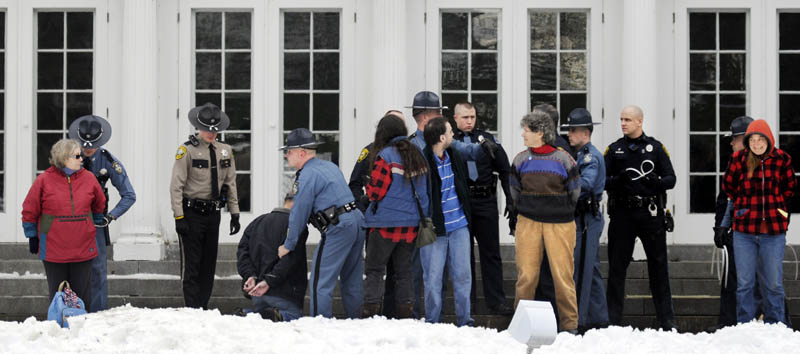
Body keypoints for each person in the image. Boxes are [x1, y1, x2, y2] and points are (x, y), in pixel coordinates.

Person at [278, 128, 365, 319]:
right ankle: (357, 322)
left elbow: (299, 212)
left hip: (338, 226)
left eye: (289, 151)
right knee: (352, 280)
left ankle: (320, 326)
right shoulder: (330, 166)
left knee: (320, 281)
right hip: (357, 222)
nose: (286, 155)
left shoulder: (307, 175)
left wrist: (288, 244)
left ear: (302, 152)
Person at [604, 105, 677, 330]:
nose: (623, 123)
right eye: (621, 119)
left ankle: (666, 320)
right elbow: (602, 181)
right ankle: (613, 320)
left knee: (658, 266)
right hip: (623, 214)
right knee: (617, 267)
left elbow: (671, 179)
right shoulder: (614, 149)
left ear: (639, 122)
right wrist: (618, 180)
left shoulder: (655, 148)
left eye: (628, 119)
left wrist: (657, 182)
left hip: (649, 213)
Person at [509, 111, 580, 334]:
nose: (523, 134)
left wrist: (557, 208)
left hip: (560, 224)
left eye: (527, 130)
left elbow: (575, 192)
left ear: (540, 132)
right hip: (528, 222)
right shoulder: (520, 159)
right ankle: (520, 325)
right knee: (526, 276)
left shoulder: (564, 159)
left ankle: (570, 326)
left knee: (563, 276)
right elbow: (514, 191)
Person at [722, 119, 796, 325]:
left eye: (760, 139)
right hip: (744, 230)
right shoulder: (738, 159)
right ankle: (745, 325)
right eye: (752, 140)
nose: (756, 144)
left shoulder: (782, 159)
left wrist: (777, 206)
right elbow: (729, 187)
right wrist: (744, 206)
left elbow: (790, 187)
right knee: (745, 283)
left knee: (773, 283)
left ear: (768, 139)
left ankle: (776, 326)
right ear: (747, 141)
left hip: (773, 231)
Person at [170, 102, 241, 309]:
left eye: (215, 129)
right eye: (207, 130)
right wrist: (179, 216)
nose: (211, 133)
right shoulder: (187, 150)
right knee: (192, 264)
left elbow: (230, 183)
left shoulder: (225, 151)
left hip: (213, 213)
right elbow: (176, 186)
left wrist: (235, 213)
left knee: (209, 264)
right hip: (192, 212)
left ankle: (203, 306)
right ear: (198, 128)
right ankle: (192, 308)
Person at [22, 139, 107, 312]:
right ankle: (59, 326)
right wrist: (32, 235)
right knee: (57, 292)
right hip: (53, 247)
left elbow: (100, 203)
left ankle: (81, 325)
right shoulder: (44, 180)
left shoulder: (89, 178)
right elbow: (30, 209)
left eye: (80, 155)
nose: (81, 158)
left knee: (82, 294)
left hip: (83, 246)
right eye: (76, 155)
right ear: (63, 157)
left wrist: (97, 219)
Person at [361, 114, 430, 319]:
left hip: (384, 225)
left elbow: (376, 192)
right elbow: (424, 192)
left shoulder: (386, 156)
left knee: (374, 270)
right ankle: (406, 313)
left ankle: (370, 312)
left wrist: (367, 187)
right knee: (404, 272)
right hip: (410, 226)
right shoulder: (416, 154)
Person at [68, 115, 137, 313]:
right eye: (84, 145)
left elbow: (129, 195)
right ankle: (73, 310)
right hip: (71, 221)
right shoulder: (69, 158)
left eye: (93, 144)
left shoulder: (109, 162)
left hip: (96, 221)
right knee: (71, 267)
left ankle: (97, 313)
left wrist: (112, 216)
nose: (88, 149)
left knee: (97, 269)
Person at [451, 101, 514, 315]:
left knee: (491, 253)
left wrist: (511, 201)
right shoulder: (450, 141)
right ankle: (467, 304)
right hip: (462, 203)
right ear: (456, 118)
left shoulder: (487, 140)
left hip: (485, 201)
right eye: (465, 117)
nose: (469, 121)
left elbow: (505, 170)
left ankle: (496, 302)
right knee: (463, 256)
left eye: (472, 117)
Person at [348, 110, 405, 317]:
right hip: (374, 220)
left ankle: (390, 312)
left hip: (396, 221)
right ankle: (375, 312)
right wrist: (362, 211)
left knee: (396, 272)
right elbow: (354, 184)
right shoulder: (369, 152)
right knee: (376, 269)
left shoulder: (408, 153)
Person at [420, 117, 474, 327]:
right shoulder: (423, 162)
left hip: (460, 225)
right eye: (450, 131)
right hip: (433, 229)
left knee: (463, 276)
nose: (453, 135)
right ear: (442, 137)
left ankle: (465, 321)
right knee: (432, 278)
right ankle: (433, 321)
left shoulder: (455, 155)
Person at [561, 108, 609, 332]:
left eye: (573, 130)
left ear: (585, 132)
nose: (569, 134)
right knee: (591, 267)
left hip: (587, 218)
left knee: (582, 267)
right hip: (583, 216)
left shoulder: (590, 156)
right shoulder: (580, 153)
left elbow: (587, 184)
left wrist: (562, 185)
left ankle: (581, 320)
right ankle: (599, 317)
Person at [236, 193, 307, 322]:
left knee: (263, 315)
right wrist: (269, 281)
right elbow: (290, 259)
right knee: (293, 317)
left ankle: (250, 315)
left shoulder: (257, 222)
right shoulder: (296, 226)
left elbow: (242, 252)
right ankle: (272, 315)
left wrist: (250, 276)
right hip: (284, 293)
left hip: (257, 292)